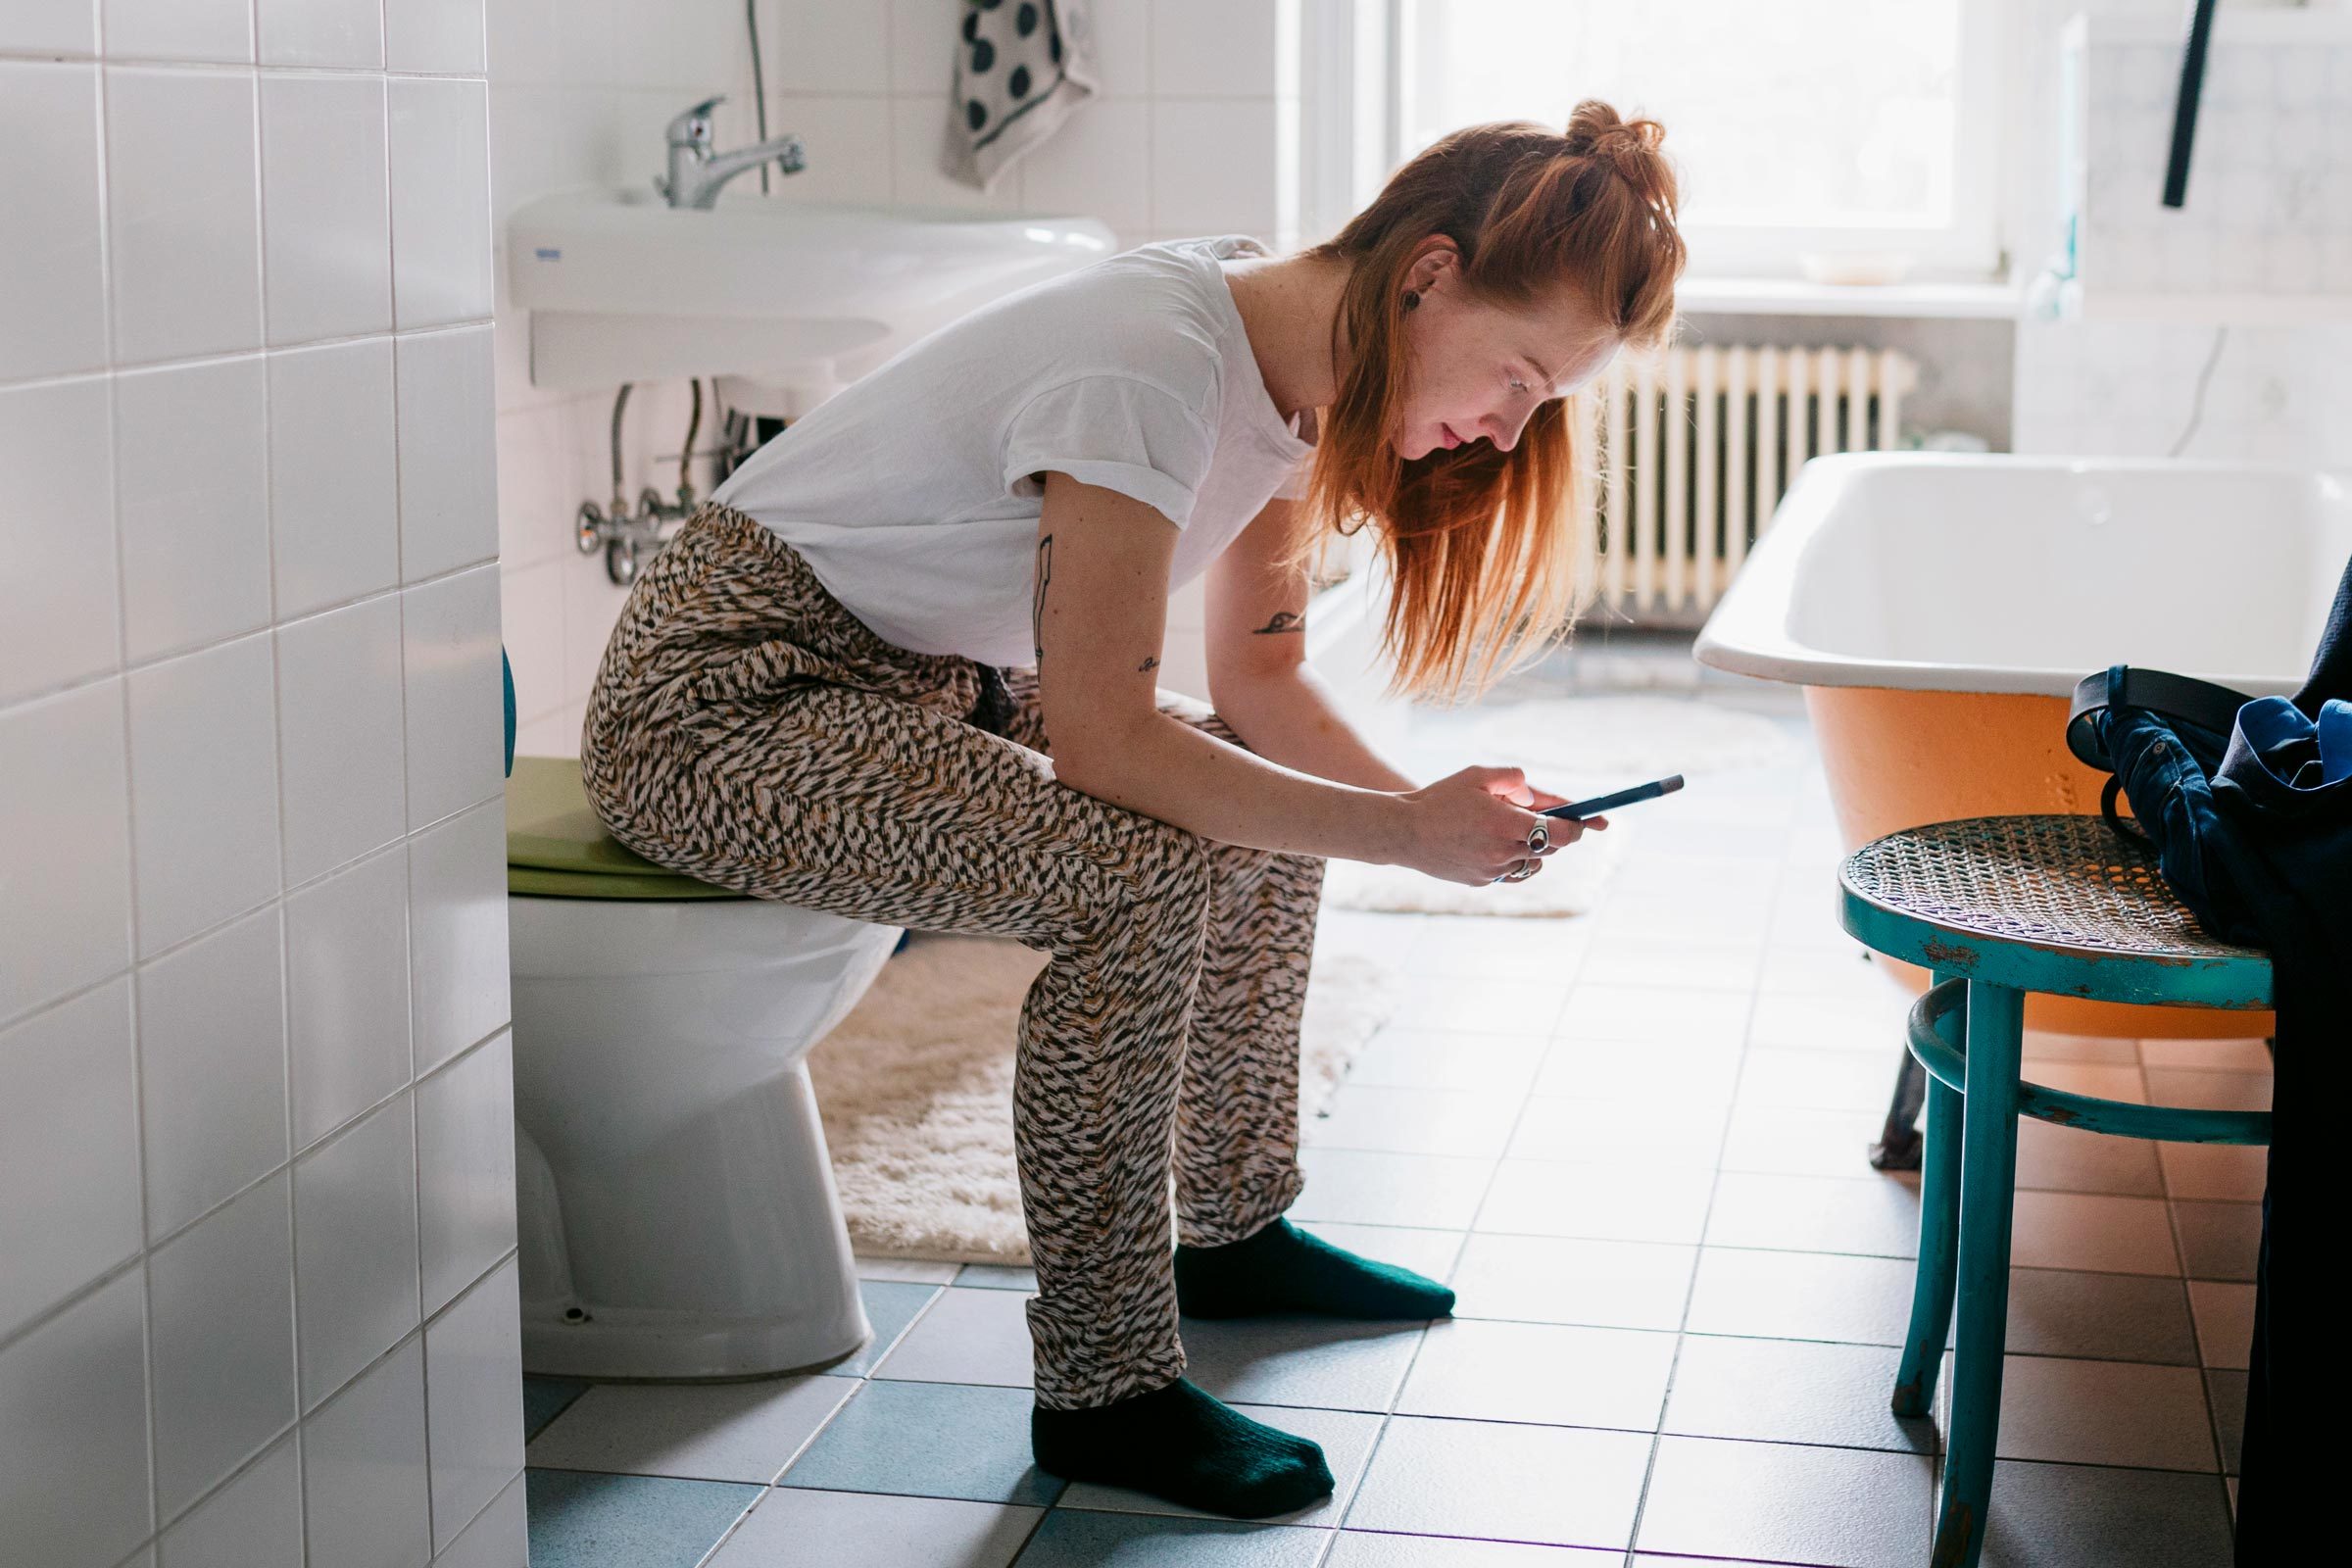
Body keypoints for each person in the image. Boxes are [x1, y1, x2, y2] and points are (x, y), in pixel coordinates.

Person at [579, 102, 1685, 1518]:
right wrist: (1407, 835)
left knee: (1254, 804)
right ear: (1428, 275)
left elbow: (1265, 682)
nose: (1509, 427)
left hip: (921, 676)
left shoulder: (1292, 369)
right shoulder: (1157, 359)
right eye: (1521, 376)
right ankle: (1104, 1390)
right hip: (723, 695)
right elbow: (1105, 740)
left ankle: (1228, 1228)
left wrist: (1432, 812)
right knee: (1141, 873)